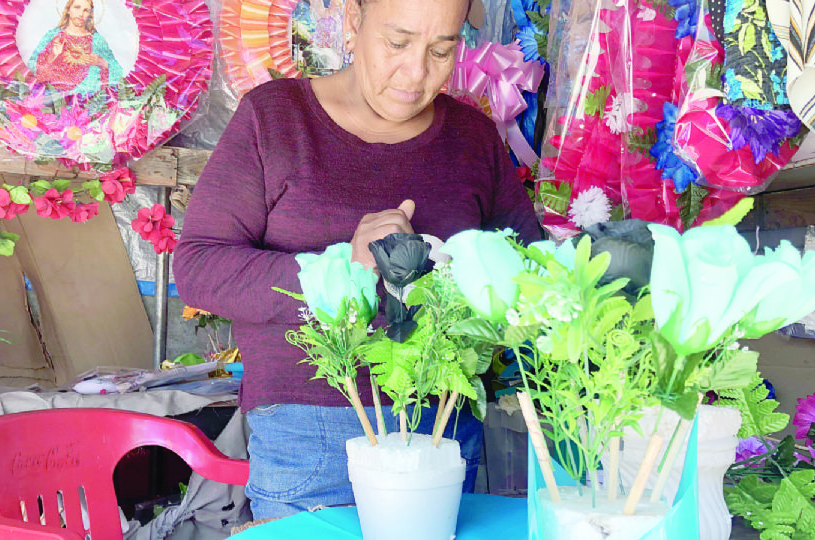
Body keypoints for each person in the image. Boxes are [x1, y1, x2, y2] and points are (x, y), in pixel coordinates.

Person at [174, 0, 541, 520]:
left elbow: (531, 273)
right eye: (397, 43)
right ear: (352, 22)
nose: (416, 73)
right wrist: (342, 270)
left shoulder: (472, 137)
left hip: (443, 431)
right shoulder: (276, 118)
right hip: (311, 433)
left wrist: (452, 270)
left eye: (442, 50)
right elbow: (199, 267)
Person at [27, 0, 122, 95]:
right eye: (77, 7)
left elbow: (118, 73)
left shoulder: (97, 40)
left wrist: (102, 63)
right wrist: (53, 55)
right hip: (53, 96)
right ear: (68, 9)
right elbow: (34, 67)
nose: (81, 14)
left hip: (86, 99)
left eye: (86, 10)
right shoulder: (53, 36)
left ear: (90, 14)